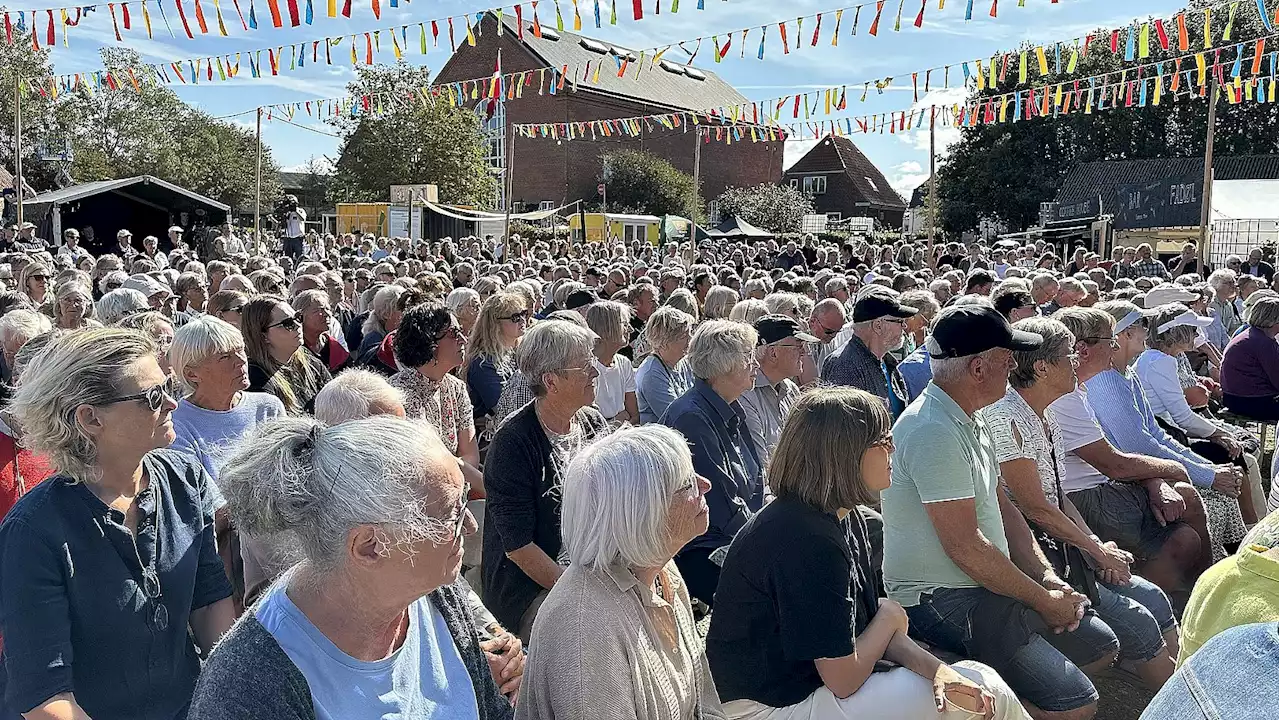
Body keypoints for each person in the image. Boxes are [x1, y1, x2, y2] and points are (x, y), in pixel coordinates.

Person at [708, 387, 1026, 720]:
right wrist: (888, 615)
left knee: (969, 683)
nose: (894, 449)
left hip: (806, 692)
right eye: (884, 442)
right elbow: (844, 677)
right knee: (984, 691)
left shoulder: (843, 516)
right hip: (763, 710)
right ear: (845, 453)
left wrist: (938, 671)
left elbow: (869, 633)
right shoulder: (806, 538)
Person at [187, 415, 516, 720]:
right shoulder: (249, 688)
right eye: (450, 514)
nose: (470, 525)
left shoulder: (436, 594)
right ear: (369, 547)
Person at [882, 305, 1112, 720]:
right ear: (977, 369)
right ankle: (992, 709)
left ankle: (998, 700)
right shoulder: (934, 429)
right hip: (940, 598)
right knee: (1076, 703)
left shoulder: (970, 416)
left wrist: (1045, 577)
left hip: (974, 585)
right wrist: (1043, 599)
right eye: (1007, 360)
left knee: (1098, 645)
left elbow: (1003, 508)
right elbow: (966, 548)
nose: (1013, 368)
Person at [0, 329, 234, 720]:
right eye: (153, 397)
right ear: (90, 418)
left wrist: (230, 694)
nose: (173, 403)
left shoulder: (184, 478)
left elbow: (209, 601)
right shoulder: (33, 531)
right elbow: (46, 698)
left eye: (169, 386)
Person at [982, 317, 1180, 693]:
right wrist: (1097, 553)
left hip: (1063, 550)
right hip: (1034, 560)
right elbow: (1036, 509)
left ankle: (1169, 682)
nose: (1078, 359)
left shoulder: (1045, 411)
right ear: (1041, 367)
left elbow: (1057, 498)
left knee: (1153, 597)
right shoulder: (1007, 418)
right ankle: (1176, 698)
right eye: (1069, 354)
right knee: (1137, 619)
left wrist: (1096, 547)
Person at [516, 425, 724, 719]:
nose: (706, 484)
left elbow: (704, 704)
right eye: (687, 483)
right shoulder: (585, 628)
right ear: (643, 510)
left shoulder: (664, 572)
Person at [1049, 307, 1211, 596]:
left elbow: (1127, 452)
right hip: (1086, 498)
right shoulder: (1065, 396)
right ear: (1083, 349)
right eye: (1109, 340)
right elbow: (1117, 464)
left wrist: (1155, 480)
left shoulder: (1080, 387)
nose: (1115, 346)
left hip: (1100, 488)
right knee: (1185, 532)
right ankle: (1156, 599)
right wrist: (1173, 470)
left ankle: (1190, 595)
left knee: (1186, 506)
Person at [1087, 300, 1246, 563]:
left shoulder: (1125, 373)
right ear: (1126, 334)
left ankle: (1234, 559)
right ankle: (1211, 573)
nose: (1148, 332)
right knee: (1213, 497)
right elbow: (1136, 444)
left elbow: (1157, 435)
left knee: (1224, 486)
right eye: (1143, 326)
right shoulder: (1105, 379)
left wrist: (1207, 468)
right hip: (1119, 479)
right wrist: (1207, 475)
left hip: (1140, 469)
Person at [482, 320, 610, 641]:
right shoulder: (514, 441)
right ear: (551, 381)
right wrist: (578, 591)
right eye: (584, 366)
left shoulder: (592, 424)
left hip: (591, 570)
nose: (595, 372)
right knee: (592, 635)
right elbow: (520, 548)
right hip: (534, 586)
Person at [660, 320, 765, 607]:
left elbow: (755, 484)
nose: (756, 363)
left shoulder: (731, 407)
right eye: (748, 356)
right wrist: (770, 536)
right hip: (701, 548)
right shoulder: (692, 417)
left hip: (737, 534)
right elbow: (720, 506)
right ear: (724, 364)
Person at [390, 303, 483, 495]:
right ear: (429, 342)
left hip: (454, 489)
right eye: (453, 334)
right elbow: (422, 465)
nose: (464, 340)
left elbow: (470, 454)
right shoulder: (397, 394)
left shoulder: (456, 387)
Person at [821, 290, 914, 419]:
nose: (904, 326)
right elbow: (845, 428)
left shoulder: (886, 361)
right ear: (878, 326)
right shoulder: (844, 365)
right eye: (899, 321)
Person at [738, 315, 814, 465]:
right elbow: (761, 465)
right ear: (773, 353)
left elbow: (805, 447)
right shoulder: (745, 395)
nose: (804, 352)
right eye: (798, 346)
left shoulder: (790, 389)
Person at [242, 295, 332, 415]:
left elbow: (335, 400)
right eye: (287, 323)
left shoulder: (311, 363)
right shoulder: (255, 378)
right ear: (263, 336)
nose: (298, 325)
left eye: (298, 317)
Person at [464, 291, 529, 440]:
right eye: (515, 317)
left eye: (523, 313)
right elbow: (507, 408)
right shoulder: (483, 363)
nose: (522, 320)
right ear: (495, 324)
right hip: (495, 439)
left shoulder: (517, 351)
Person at [1220, 294, 1280, 421]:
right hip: (1252, 401)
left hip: (1234, 398)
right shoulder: (1263, 342)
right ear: (1275, 321)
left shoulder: (1250, 334)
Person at [635, 306, 696, 423]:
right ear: (664, 343)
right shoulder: (652, 374)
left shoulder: (683, 361)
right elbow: (677, 418)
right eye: (684, 336)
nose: (690, 339)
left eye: (690, 333)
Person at [585, 300, 638, 424]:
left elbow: (635, 416)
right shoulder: (587, 369)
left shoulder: (624, 363)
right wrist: (617, 421)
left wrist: (614, 423)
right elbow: (590, 426)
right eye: (624, 324)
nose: (630, 329)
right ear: (606, 328)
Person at [293, 288, 349, 372]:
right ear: (300, 316)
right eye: (319, 310)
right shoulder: (293, 348)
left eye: (328, 309)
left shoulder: (334, 347)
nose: (327, 314)